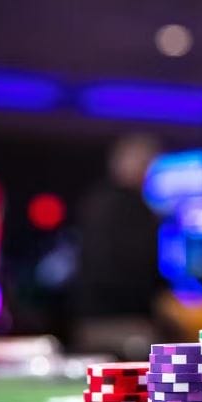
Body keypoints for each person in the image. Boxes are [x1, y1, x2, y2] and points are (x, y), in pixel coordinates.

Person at [73, 134, 164, 358]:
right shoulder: (136, 209)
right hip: (125, 323)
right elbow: (139, 266)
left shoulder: (95, 201)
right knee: (156, 370)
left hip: (88, 320)